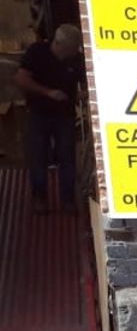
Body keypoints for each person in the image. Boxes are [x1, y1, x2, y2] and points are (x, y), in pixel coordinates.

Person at [15, 24, 83, 213]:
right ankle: (39, 198)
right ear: (59, 44)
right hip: (39, 114)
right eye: (70, 49)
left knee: (67, 158)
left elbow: (84, 82)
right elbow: (21, 78)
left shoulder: (76, 61)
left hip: (65, 117)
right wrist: (48, 93)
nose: (73, 52)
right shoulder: (37, 53)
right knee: (38, 157)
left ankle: (68, 200)